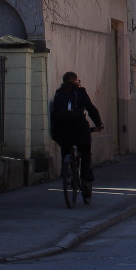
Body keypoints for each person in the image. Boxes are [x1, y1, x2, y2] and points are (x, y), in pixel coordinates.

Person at [50, 71, 104, 201]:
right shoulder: (80, 92)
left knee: (65, 148)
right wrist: (99, 124)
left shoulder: (58, 93)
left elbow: (54, 113)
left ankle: (67, 169)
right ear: (76, 81)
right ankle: (85, 180)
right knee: (85, 152)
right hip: (79, 129)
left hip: (62, 131)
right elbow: (91, 108)